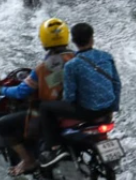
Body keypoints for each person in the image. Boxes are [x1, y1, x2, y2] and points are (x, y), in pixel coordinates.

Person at [37, 23, 119, 168]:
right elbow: (117, 84)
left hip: (86, 112)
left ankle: (54, 148)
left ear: (73, 41)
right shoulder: (106, 56)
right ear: (92, 38)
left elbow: (70, 96)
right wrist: (113, 107)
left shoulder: (72, 65)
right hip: (107, 110)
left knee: (44, 107)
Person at [0, 19, 74, 175]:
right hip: (79, 109)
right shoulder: (78, 58)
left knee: (3, 125)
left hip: (53, 113)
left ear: (43, 39)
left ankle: (28, 161)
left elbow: (21, 92)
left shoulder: (43, 67)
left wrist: (3, 90)